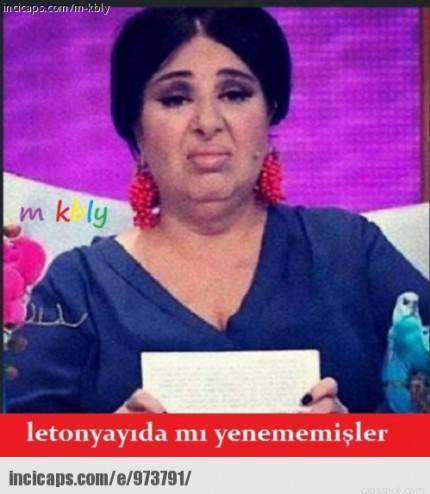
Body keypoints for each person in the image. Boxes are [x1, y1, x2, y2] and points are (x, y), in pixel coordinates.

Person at [5, 7, 429, 413]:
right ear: (136, 126)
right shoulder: (79, 286)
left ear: (270, 112)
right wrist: (109, 447)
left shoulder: (350, 251)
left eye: (235, 94)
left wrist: (357, 441)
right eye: (175, 98)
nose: (208, 122)